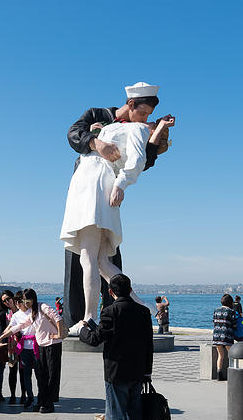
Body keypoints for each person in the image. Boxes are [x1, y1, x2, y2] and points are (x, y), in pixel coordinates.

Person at [61, 85, 173, 331]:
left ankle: (88, 318)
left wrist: (121, 183)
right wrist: (95, 139)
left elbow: (140, 159)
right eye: (143, 114)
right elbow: (73, 133)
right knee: (102, 260)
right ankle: (142, 306)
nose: (146, 121)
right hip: (91, 183)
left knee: (89, 256)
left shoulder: (134, 128)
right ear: (131, 105)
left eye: (148, 119)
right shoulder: (105, 120)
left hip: (94, 185)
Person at [79, 273, 153, 420]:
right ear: (130, 289)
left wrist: (84, 330)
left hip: (116, 372)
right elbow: (148, 344)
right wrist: (147, 371)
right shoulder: (144, 312)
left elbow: (95, 339)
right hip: (137, 372)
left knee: (115, 416)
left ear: (110, 292)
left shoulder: (110, 311)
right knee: (134, 415)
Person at [0, 289, 64, 413]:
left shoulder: (42, 306)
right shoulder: (31, 312)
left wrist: (59, 334)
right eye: (23, 301)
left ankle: (49, 403)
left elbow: (57, 317)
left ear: (33, 298)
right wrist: (0, 337)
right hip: (41, 344)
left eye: (28, 300)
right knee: (42, 375)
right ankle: (41, 401)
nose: (25, 303)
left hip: (53, 344)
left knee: (52, 374)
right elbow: (19, 326)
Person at [212, 294, 236, 380]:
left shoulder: (216, 310)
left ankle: (219, 373)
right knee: (232, 355)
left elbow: (213, 322)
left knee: (220, 355)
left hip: (217, 335)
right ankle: (233, 374)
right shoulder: (231, 311)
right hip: (227, 335)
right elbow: (234, 324)